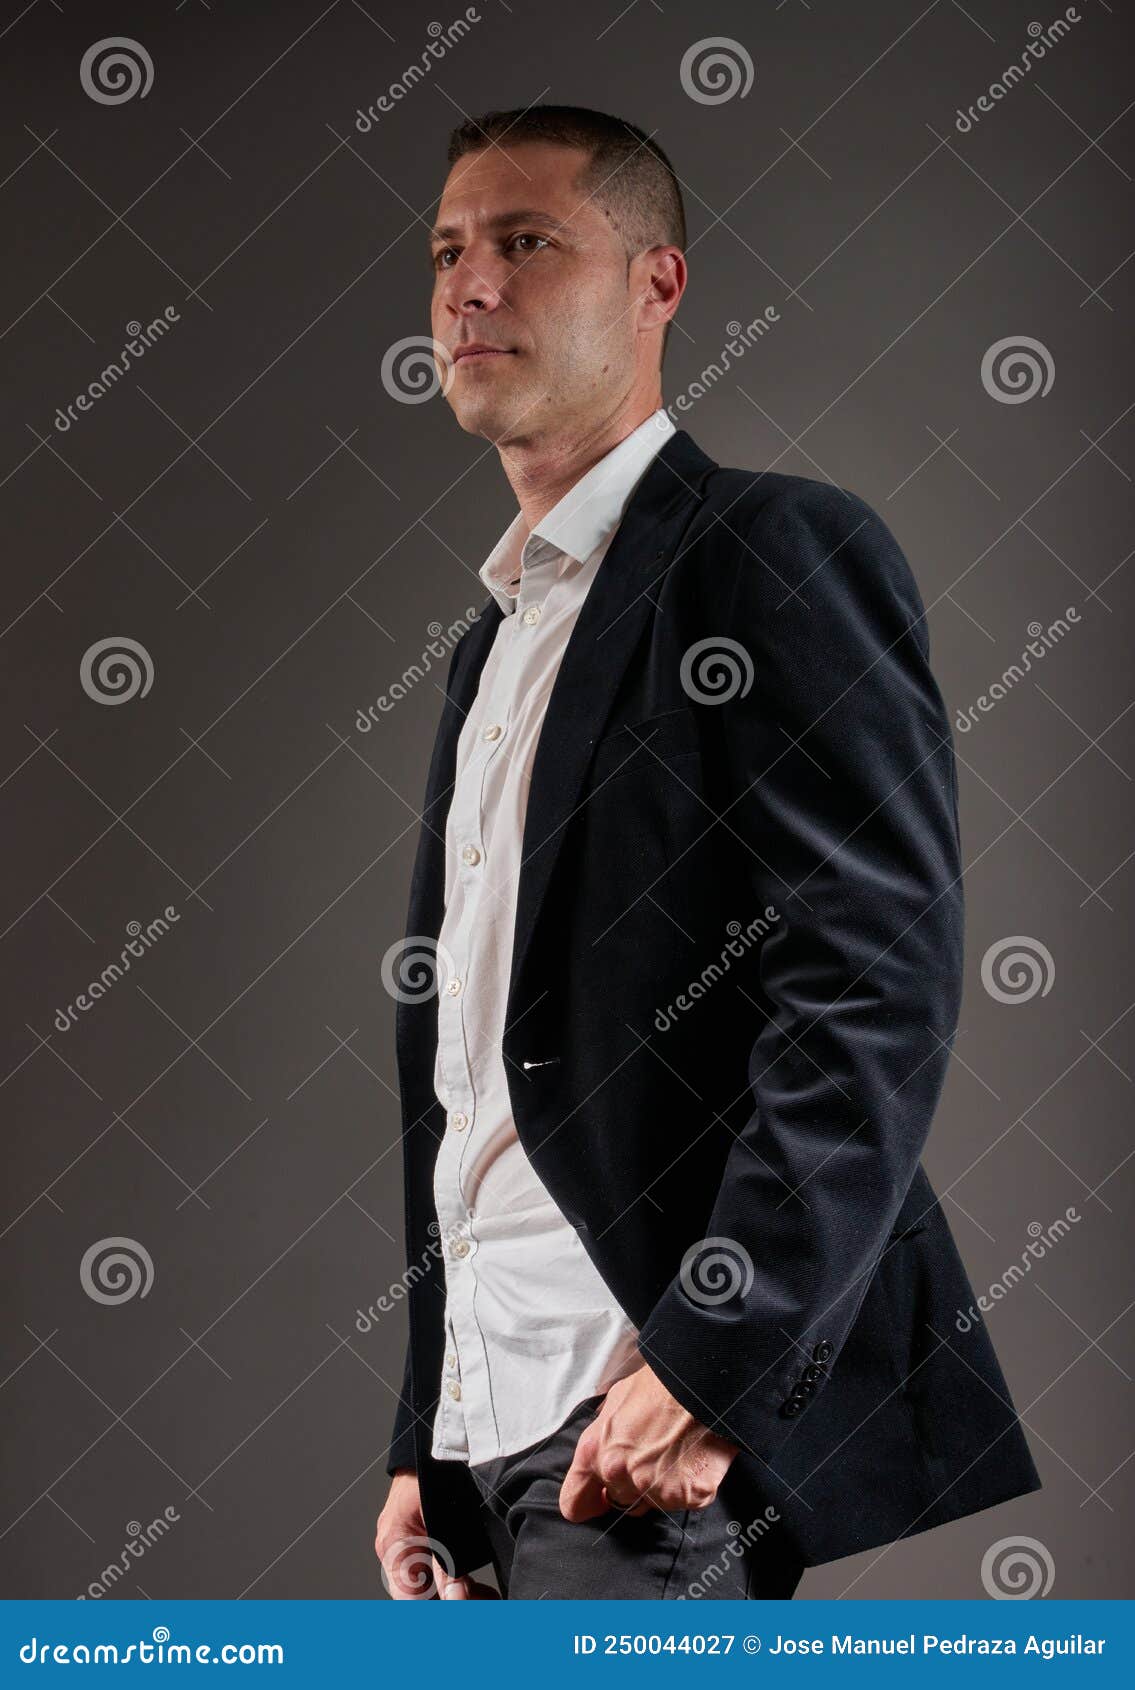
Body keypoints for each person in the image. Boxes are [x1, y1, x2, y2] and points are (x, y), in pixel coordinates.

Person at [373, 104, 1040, 1601]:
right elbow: (471, 1074)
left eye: (529, 243)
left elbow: (874, 987)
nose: (471, 286)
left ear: (658, 286)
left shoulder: (766, 552)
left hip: (637, 1445)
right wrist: (430, 1423)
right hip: (494, 1450)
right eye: (449, 252)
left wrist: (713, 1361)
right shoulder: (495, 649)